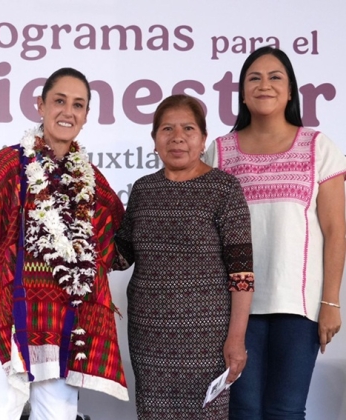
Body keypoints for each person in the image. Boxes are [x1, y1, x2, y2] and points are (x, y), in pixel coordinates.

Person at [0, 67, 129, 420]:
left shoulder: (91, 180)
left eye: (78, 105)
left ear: (86, 116)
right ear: (40, 105)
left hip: (64, 318)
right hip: (7, 312)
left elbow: (112, 240)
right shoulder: (8, 163)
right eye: (59, 101)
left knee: (58, 414)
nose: (67, 112)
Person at [205, 46, 346, 419]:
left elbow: (336, 231)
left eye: (275, 77)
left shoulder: (319, 146)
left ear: (290, 91)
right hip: (235, 309)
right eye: (254, 77)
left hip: (298, 306)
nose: (264, 85)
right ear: (242, 93)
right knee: (244, 410)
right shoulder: (219, 152)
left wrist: (330, 302)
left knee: (285, 410)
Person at [115, 94, 255, 419]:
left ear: (203, 139)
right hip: (149, 336)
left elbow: (242, 276)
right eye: (167, 129)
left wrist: (236, 339)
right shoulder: (143, 189)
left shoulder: (224, 189)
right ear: (154, 140)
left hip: (207, 338)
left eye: (188, 129)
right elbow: (121, 255)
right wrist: (78, 233)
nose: (177, 138)